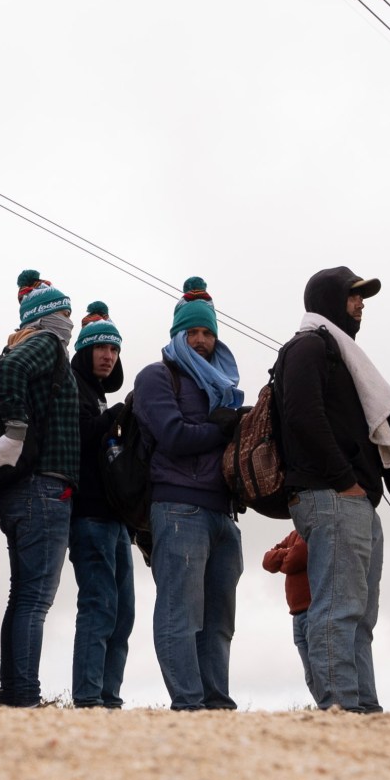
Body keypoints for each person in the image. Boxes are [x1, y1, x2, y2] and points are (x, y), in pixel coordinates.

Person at [276, 266, 390, 713]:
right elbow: (302, 416)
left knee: (360, 616)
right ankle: (341, 711)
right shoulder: (309, 346)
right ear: (329, 299)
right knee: (338, 610)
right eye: (353, 296)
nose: (360, 304)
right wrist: (345, 480)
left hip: (354, 498)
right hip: (332, 495)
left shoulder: (337, 351)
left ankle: (364, 709)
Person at [134, 278, 245, 711]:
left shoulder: (223, 383)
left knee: (219, 622)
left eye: (207, 332)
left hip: (224, 513)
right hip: (177, 506)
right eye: (192, 333)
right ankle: (188, 705)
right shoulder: (156, 377)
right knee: (181, 615)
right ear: (177, 334)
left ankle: (216, 704)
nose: (200, 341)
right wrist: (225, 426)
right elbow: (173, 435)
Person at [0, 271, 81, 708]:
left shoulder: (38, 343)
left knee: (22, 597)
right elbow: (13, 369)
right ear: (46, 315)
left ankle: (17, 691)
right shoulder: (46, 344)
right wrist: (15, 432)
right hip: (45, 487)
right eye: (64, 312)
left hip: (25, 489)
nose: (68, 321)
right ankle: (24, 695)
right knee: (35, 600)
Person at [65, 304, 133, 709]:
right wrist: (115, 419)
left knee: (123, 614)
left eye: (115, 348)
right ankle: (89, 699)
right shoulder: (74, 387)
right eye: (101, 348)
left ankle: (109, 699)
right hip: (89, 517)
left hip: (117, 520)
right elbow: (77, 437)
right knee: (99, 608)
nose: (108, 355)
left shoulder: (102, 396)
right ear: (85, 351)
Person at [260, 530, 319, 706]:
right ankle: (327, 713)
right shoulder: (295, 533)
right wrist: (289, 553)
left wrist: (285, 557)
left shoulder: (311, 529)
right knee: (311, 676)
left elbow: (298, 557)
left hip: (313, 612)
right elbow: (267, 561)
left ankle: (336, 713)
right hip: (297, 614)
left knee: (322, 671)